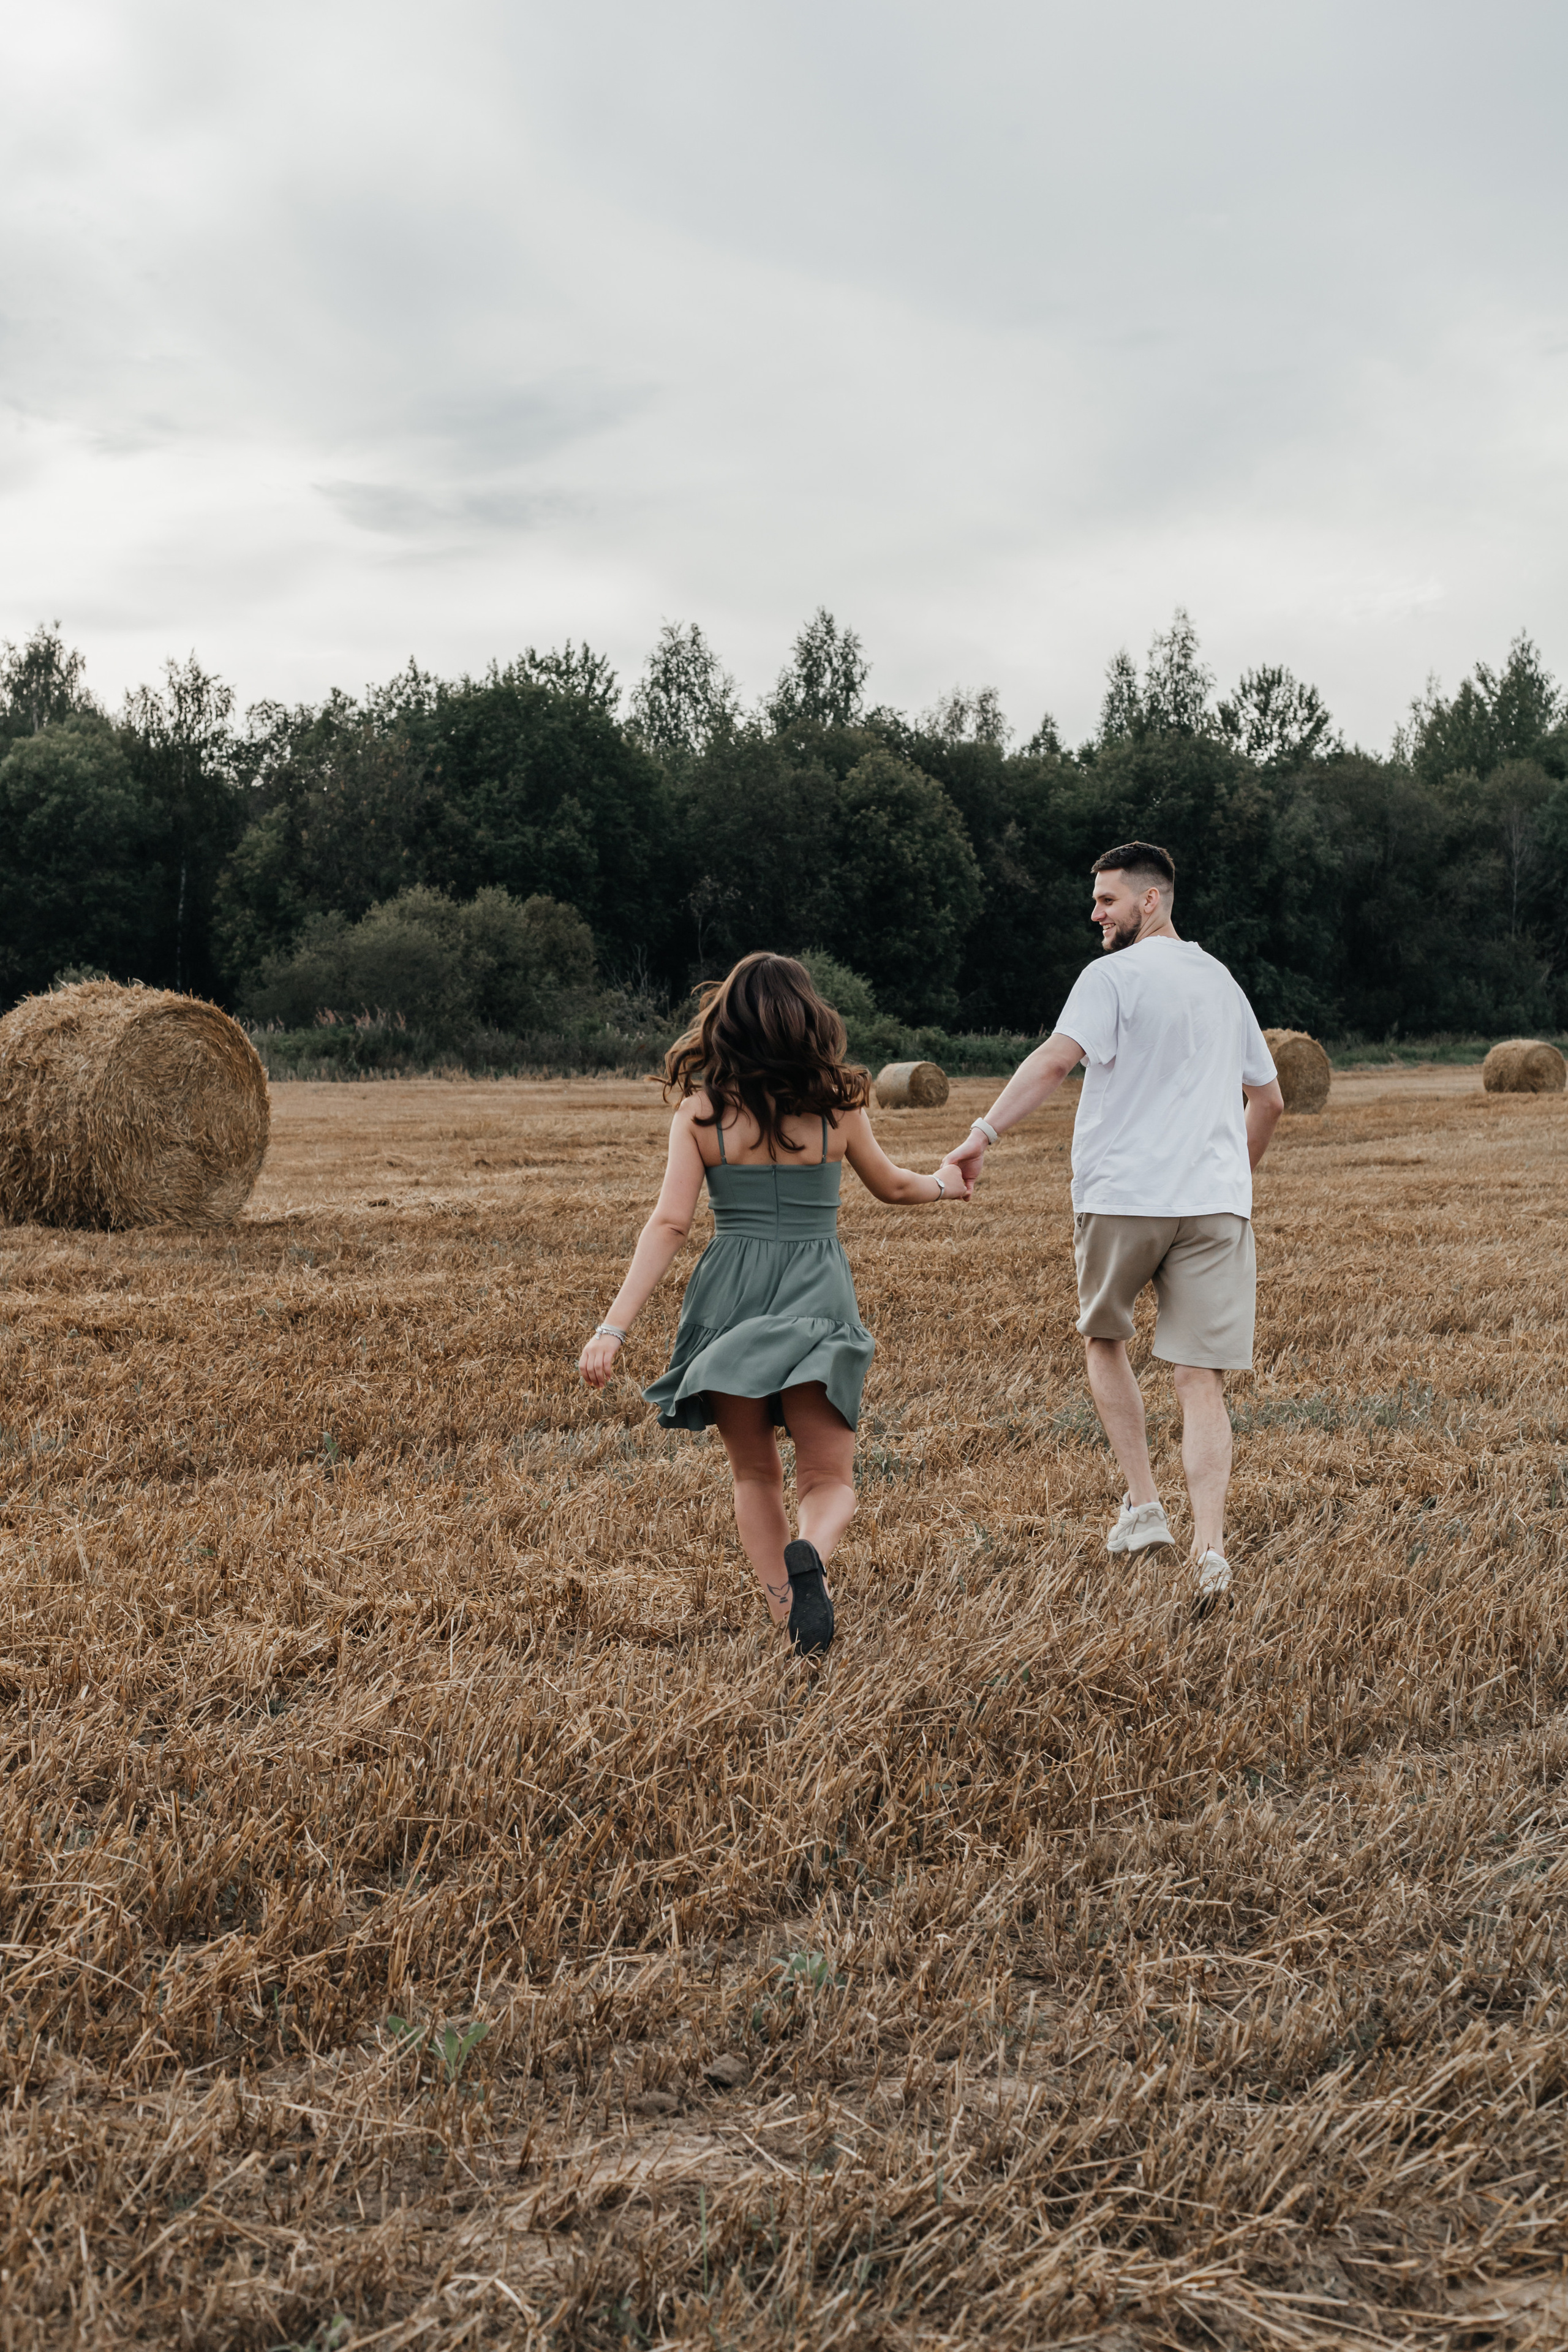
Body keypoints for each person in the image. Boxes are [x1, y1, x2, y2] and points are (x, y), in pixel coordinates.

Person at [579, 952, 970, 1655]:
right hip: (816, 1296)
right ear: (807, 1020)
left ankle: (788, 1616)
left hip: (730, 1304)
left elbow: (668, 1225)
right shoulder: (836, 1110)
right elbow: (895, 1188)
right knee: (830, 1480)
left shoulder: (700, 1117)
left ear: (724, 1025)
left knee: (754, 1473)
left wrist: (613, 1327)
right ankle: (812, 1554)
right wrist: (947, 1182)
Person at [940, 842, 1284, 1611]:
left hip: (1124, 1195)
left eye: (1106, 901)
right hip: (1211, 1206)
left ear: (1150, 901)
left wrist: (982, 1135)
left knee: (1105, 1339)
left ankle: (1143, 1505)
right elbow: (1268, 1101)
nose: (1094, 914)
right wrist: (1230, 1180)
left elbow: (1054, 1062)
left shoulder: (1111, 978)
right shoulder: (1222, 982)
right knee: (1201, 1381)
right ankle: (1211, 1551)